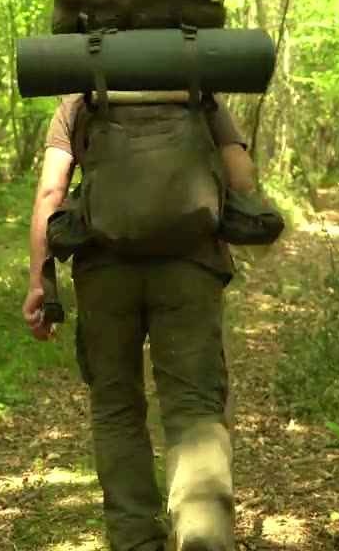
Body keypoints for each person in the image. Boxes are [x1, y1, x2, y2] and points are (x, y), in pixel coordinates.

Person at [21, 92, 257, 551]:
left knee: (116, 407)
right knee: (194, 408)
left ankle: (134, 540)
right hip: (189, 267)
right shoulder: (194, 83)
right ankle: (202, 533)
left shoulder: (81, 94)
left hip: (104, 271)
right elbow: (242, 178)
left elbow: (51, 192)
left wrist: (38, 281)